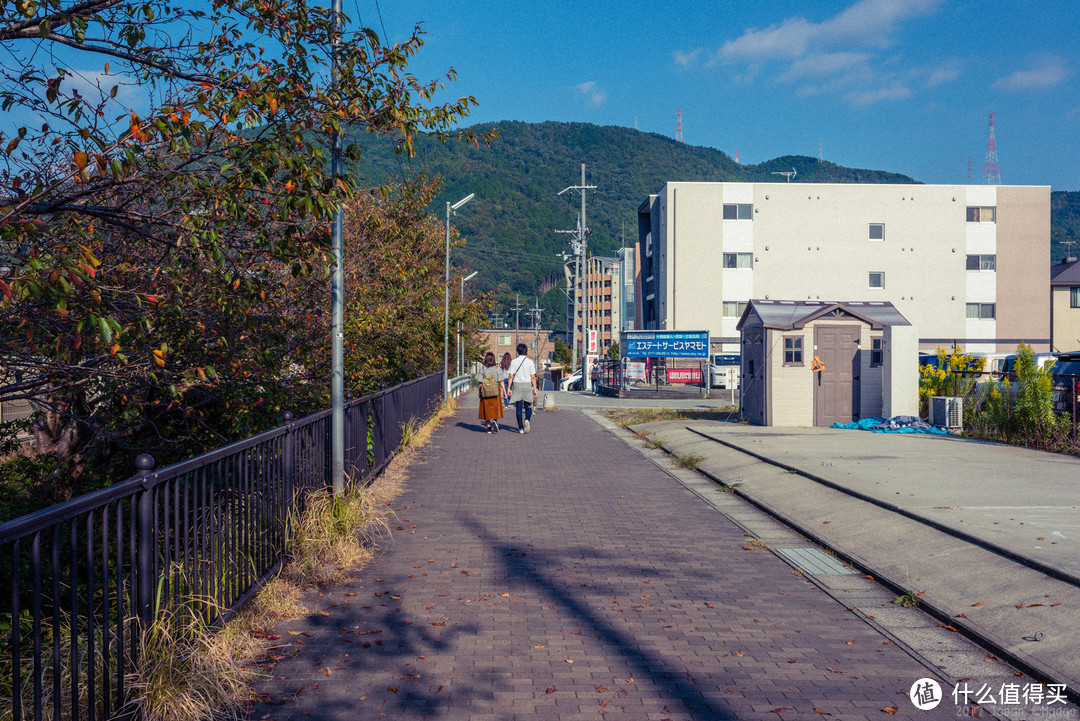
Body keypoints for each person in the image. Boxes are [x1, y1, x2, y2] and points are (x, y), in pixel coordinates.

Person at [506, 343, 539, 434]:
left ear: (518, 351)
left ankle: (520, 428)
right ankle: (527, 419)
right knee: (529, 406)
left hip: (517, 385)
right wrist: (535, 390)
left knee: (519, 408)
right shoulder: (530, 362)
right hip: (527, 385)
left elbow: (511, 376)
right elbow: (533, 377)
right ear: (526, 352)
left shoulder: (514, 362)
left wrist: (509, 388)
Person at [477, 352, 504, 433]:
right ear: (493, 359)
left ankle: (488, 427)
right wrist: (505, 392)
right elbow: (501, 381)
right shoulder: (497, 368)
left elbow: (480, 382)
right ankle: (495, 422)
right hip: (495, 391)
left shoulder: (482, 369)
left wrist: (479, 392)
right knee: (496, 408)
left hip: (485, 392)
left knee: (486, 409)